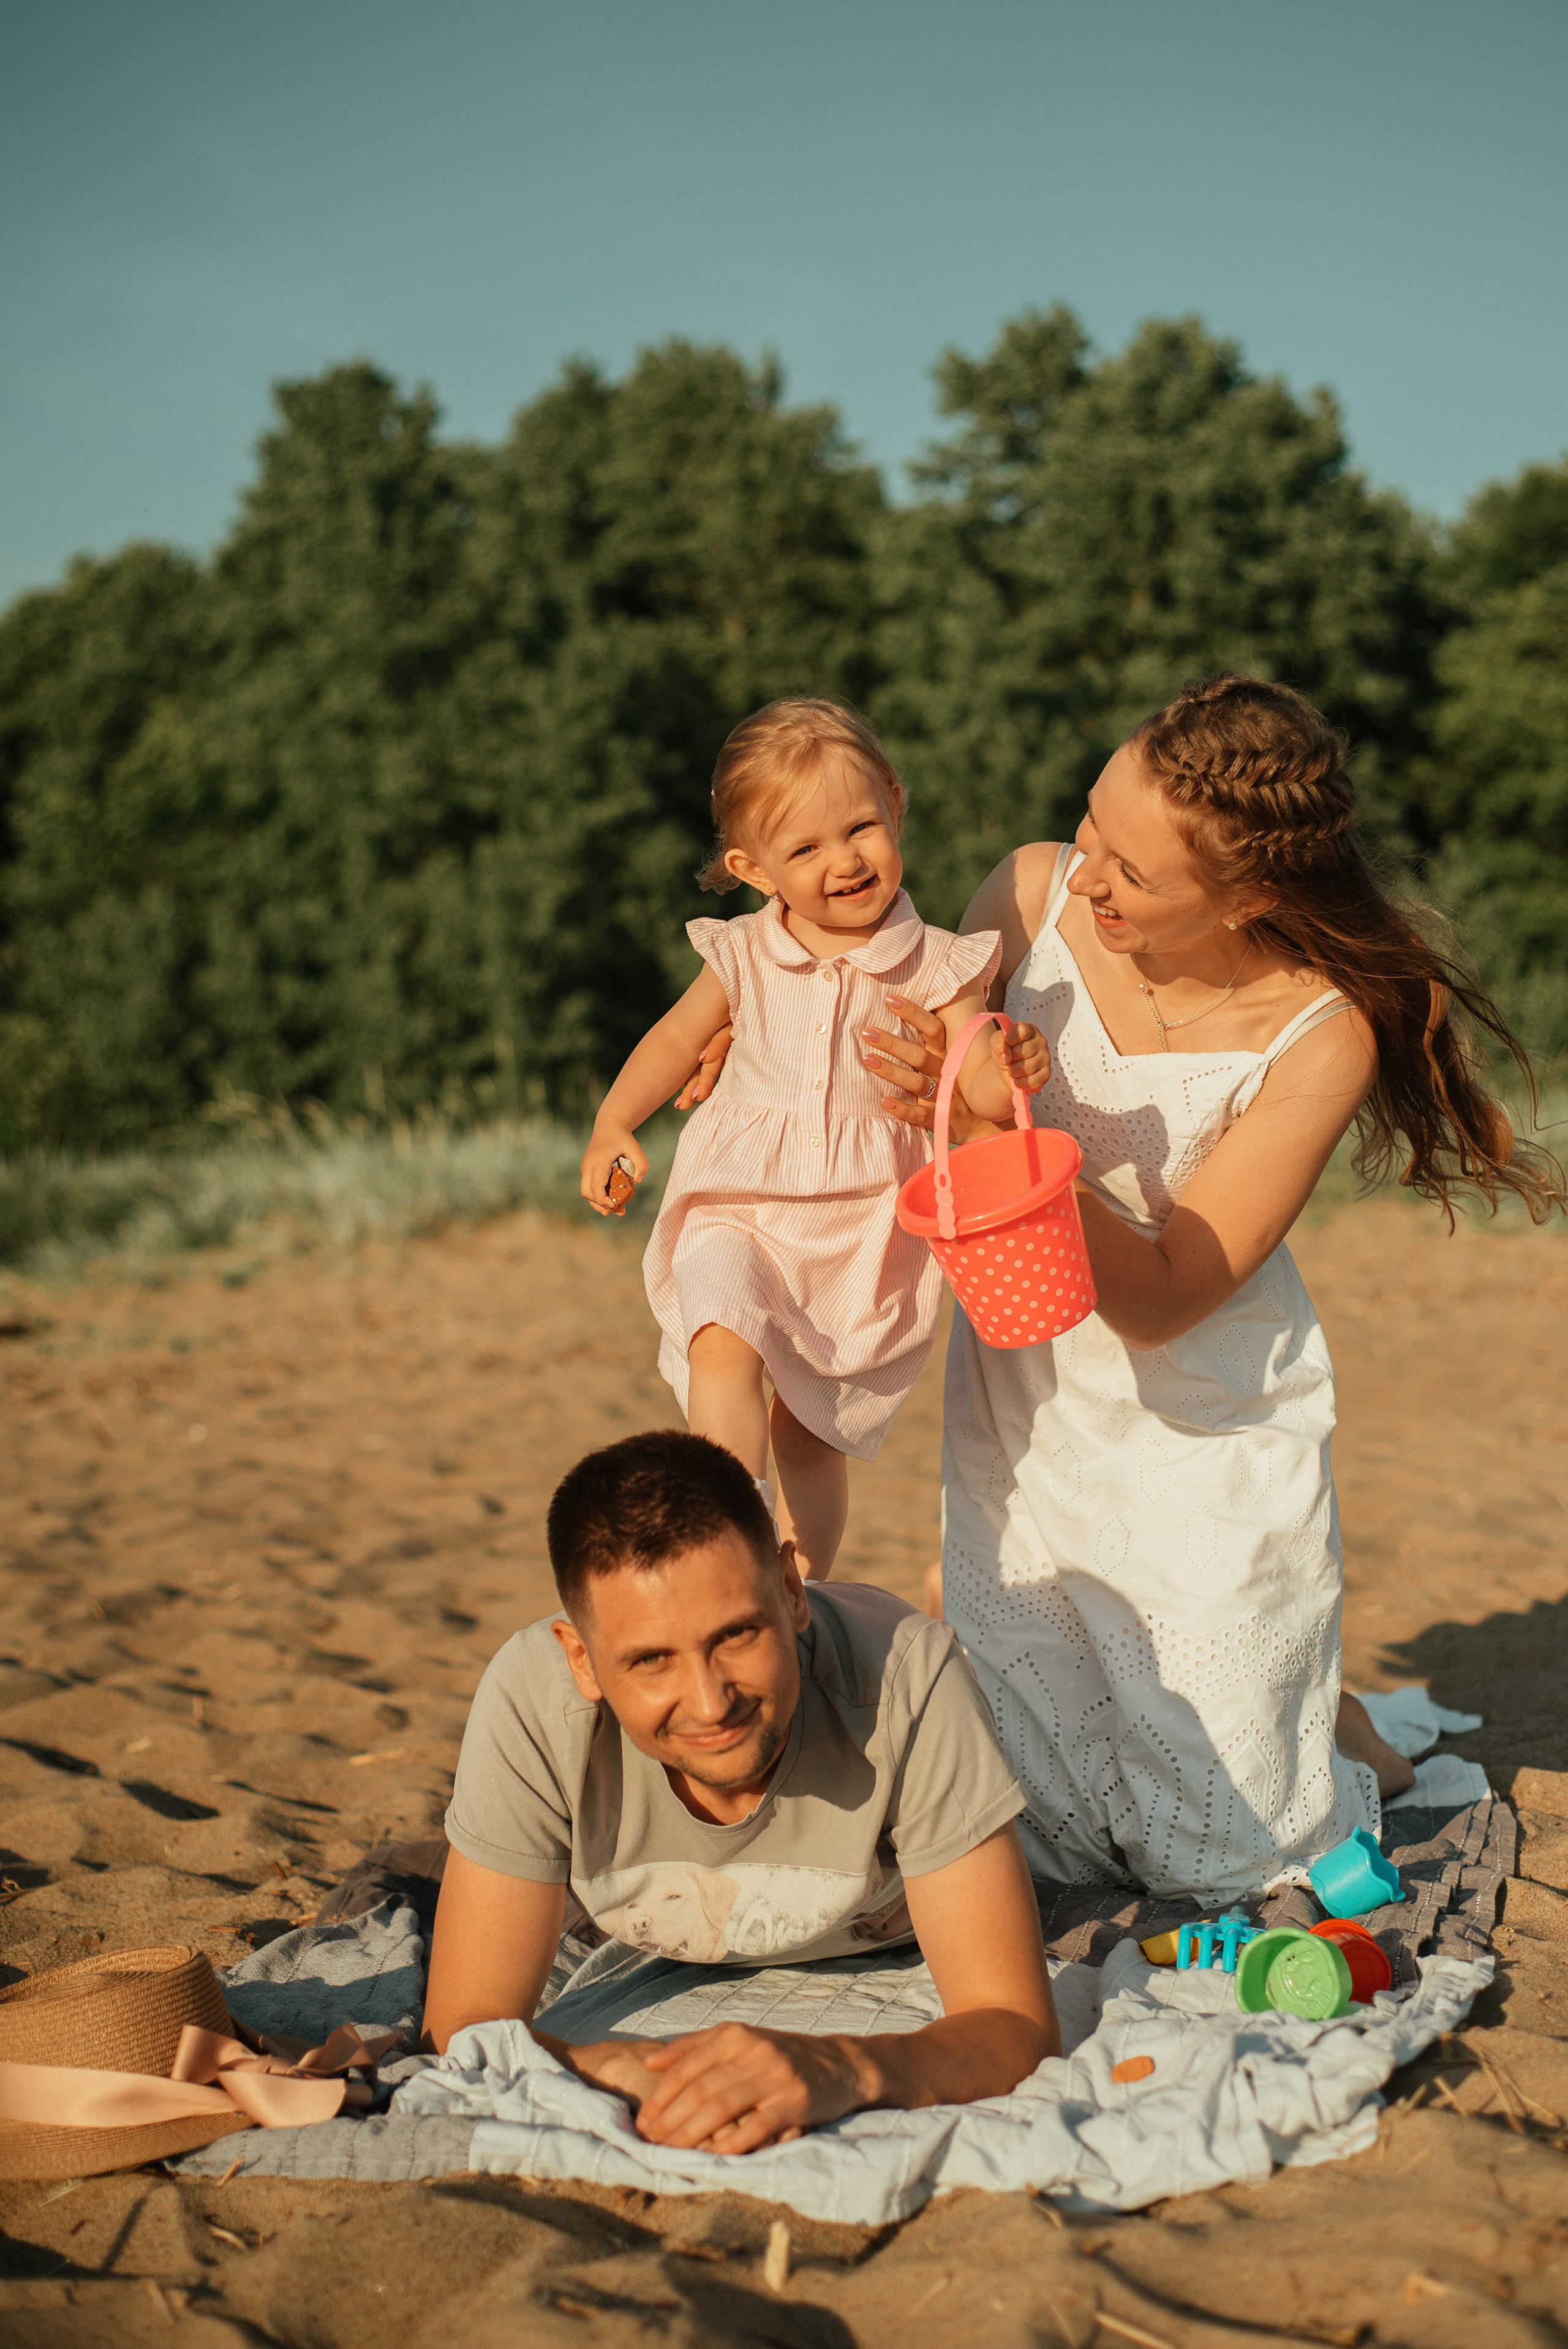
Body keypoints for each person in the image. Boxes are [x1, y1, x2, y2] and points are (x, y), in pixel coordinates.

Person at [683, 674, 1562, 1901]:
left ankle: (1340, 1732)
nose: (1087, 874)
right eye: (1092, 820)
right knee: (1048, 1830)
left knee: (1213, 1857)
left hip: (1195, 1408)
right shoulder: (1031, 892)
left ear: (1248, 897)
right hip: (1028, 1387)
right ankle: (1289, 1703)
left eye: (1132, 871)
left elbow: (1166, 1291)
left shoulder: (1320, 1032)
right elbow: (877, 1010)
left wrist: (1004, 1130)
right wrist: (758, 1047)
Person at [421, 1429, 1058, 2155]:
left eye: (736, 1635)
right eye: (651, 1660)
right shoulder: (533, 1699)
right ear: (583, 1661)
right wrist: (609, 2065)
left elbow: (1013, 2024)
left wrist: (843, 2066)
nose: (709, 1701)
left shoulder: (910, 1675)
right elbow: (460, 2030)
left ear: (791, 1592)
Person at [579, 698, 1048, 1581]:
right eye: (806, 848)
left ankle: (800, 1579)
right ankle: (730, 1524)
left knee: (812, 1424)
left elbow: (972, 1072)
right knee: (722, 1332)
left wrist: (1009, 1065)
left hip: (863, 1231)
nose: (844, 861)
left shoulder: (936, 962)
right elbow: (678, 1039)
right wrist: (615, 1119)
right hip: (741, 1201)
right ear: (753, 868)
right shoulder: (744, 956)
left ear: (896, 806)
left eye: (861, 827)